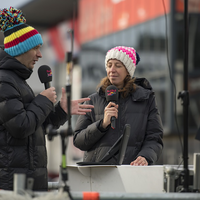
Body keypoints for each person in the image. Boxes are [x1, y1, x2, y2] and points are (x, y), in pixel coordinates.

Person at [0, 7, 94, 191]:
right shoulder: (4, 80)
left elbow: (36, 127)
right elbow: (20, 126)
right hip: (13, 185)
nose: (40, 54)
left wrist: (61, 111)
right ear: (21, 48)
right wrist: (43, 101)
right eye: (36, 48)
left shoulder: (17, 81)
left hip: (28, 182)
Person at [74, 46, 163, 166]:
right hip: (98, 174)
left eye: (118, 65)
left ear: (128, 70)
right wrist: (102, 125)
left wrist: (145, 156)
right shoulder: (93, 100)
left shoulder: (146, 99)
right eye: (109, 65)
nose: (112, 69)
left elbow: (155, 138)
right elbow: (79, 141)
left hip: (132, 173)